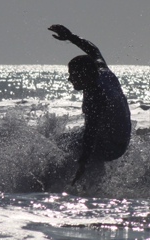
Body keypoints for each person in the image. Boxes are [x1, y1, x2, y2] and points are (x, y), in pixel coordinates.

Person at [48, 25, 131, 185]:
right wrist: (71, 37)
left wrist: (82, 163)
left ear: (84, 75)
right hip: (121, 138)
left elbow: (90, 132)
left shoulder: (96, 97)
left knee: (62, 144)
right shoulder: (103, 71)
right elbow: (94, 51)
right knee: (66, 139)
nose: (70, 79)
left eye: (72, 75)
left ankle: (57, 183)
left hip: (112, 147)